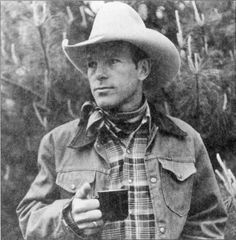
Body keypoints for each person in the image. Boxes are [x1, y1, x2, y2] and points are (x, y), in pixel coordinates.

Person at [17, 2, 227, 240]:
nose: (99, 74)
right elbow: (29, 217)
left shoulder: (186, 141)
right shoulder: (58, 143)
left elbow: (207, 221)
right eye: (92, 64)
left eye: (112, 61)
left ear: (143, 69)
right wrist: (68, 218)